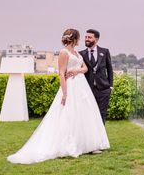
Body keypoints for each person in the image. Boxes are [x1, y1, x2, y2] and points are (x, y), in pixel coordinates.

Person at [7, 28, 110, 164]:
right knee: (69, 114)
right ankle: (67, 144)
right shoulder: (64, 52)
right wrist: (65, 92)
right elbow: (61, 73)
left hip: (81, 86)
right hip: (70, 87)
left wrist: (76, 70)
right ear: (74, 38)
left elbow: (85, 68)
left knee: (84, 114)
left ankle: (87, 144)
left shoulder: (77, 53)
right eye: (79, 37)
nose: (81, 40)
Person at [80, 29, 114, 124]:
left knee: (102, 113)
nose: (87, 39)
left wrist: (110, 86)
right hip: (87, 89)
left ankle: (101, 137)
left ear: (96, 39)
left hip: (103, 89)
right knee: (87, 113)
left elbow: (109, 69)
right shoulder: (81, 54)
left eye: (89, 37)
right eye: (86, 37)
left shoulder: (105, 51)